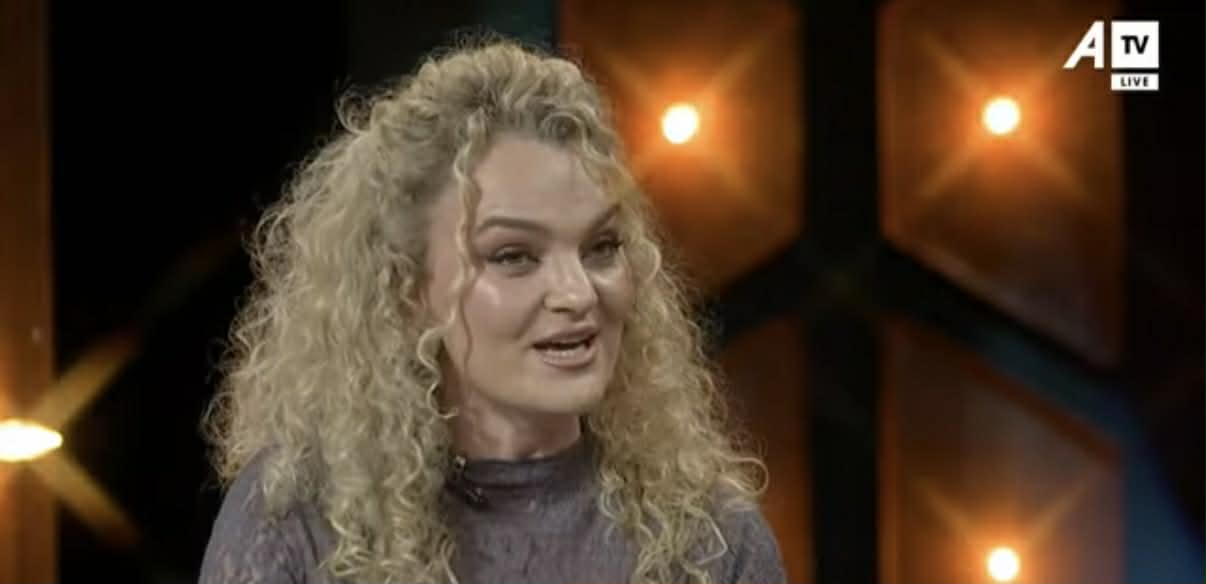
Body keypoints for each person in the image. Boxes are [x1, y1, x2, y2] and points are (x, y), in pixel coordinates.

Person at [198, 37, 786, 584]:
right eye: (514, 256)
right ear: (409, 292)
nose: (579, 293)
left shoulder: (712, 539)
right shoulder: (296, 519)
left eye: (601, 247)